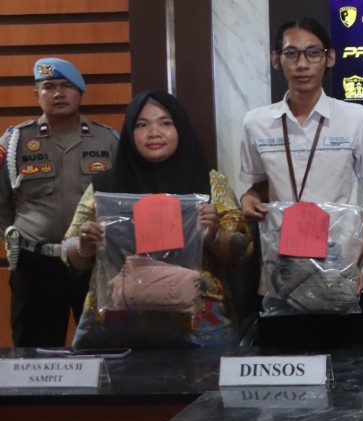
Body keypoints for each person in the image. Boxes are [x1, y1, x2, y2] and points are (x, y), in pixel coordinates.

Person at [239, 17, 363, 344]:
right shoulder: (257, 123)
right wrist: (247, 200)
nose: (302, 64)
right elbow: (258, 187)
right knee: (285, 369)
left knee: (349, 371)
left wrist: (355, 256)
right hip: (281, 273)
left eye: (313, 53)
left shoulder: (356, 118)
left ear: (330, 57)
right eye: (291, 54)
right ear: (276, 59)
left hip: (340, 270)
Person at [63, 90, 250, 348]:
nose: (154, 132)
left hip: (199, 327)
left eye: (165, 123)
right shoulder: (104, 186)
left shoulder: (210, 183)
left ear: (180, 129)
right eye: (142, 125)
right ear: (129, 133)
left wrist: (214, 235)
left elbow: (240, 250)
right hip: (117, 324)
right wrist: (84, 246)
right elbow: (69, 252)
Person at [0, 58, 119, 347]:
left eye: (66, 86)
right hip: (36, 263)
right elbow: (1, 201)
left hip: (95, 262)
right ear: (37, 94)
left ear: (80, 92)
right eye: (49, 87)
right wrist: (13, 239)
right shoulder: (15, 142)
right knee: (35, 351)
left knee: (105, 348)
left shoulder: (108, 140)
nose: (58, 93)